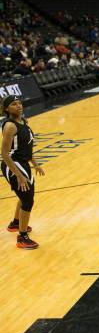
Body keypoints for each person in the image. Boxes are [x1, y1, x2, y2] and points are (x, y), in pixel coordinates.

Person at [1, 96, 44, 249]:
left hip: (23, 163)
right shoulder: (10, 126)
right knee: (27, 200)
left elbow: (28, 147)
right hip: (13, 164)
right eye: (13, 104)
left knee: (24, 195)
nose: (18, 106)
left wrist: (36, 164)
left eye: (19, 103)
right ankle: (22, 237)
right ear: (6, 109)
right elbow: (4, 154)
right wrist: (18, 175)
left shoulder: (24, 121)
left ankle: (15, 223)